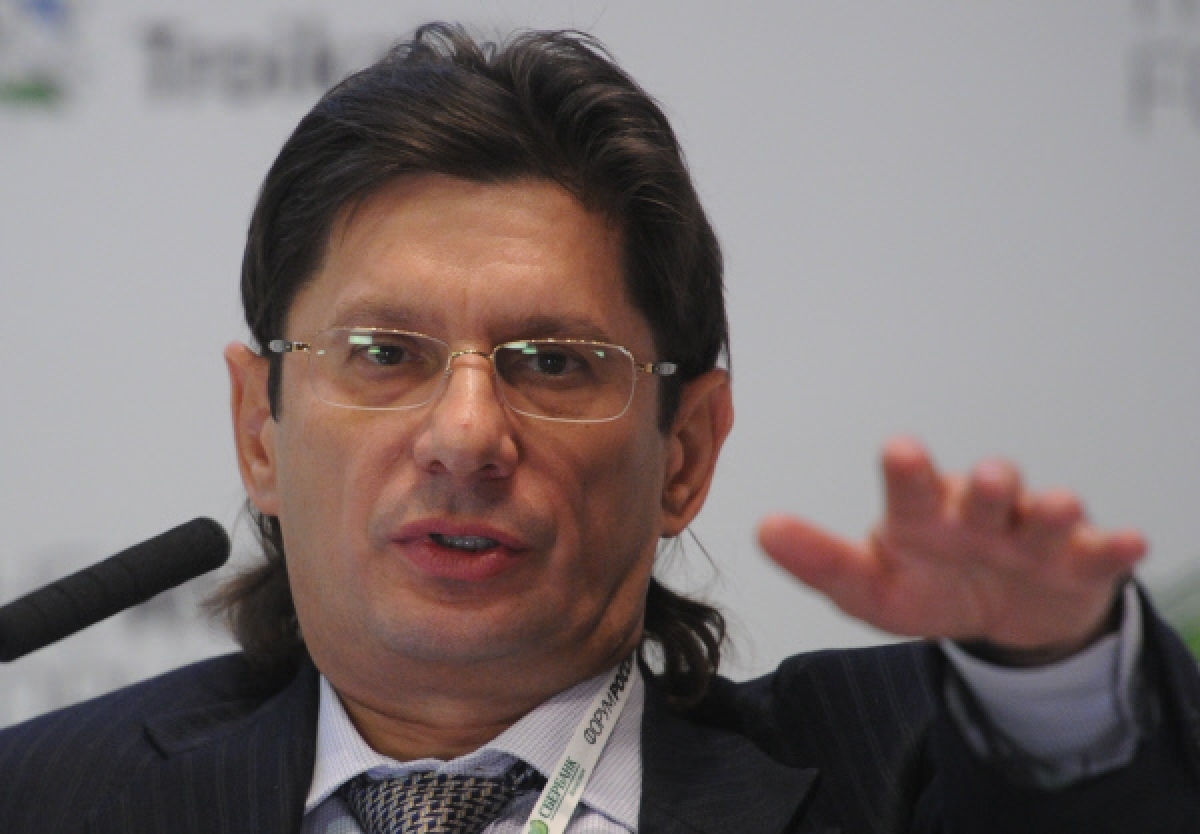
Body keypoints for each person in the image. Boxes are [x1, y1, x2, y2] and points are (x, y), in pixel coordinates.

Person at [1, 23, 1198, 834]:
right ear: (259, 431)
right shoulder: (47, 799)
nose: (465, 435)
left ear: (686, 452)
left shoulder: (894, 776)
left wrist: (1054, 675)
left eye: (554, 363)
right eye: (386, 354)